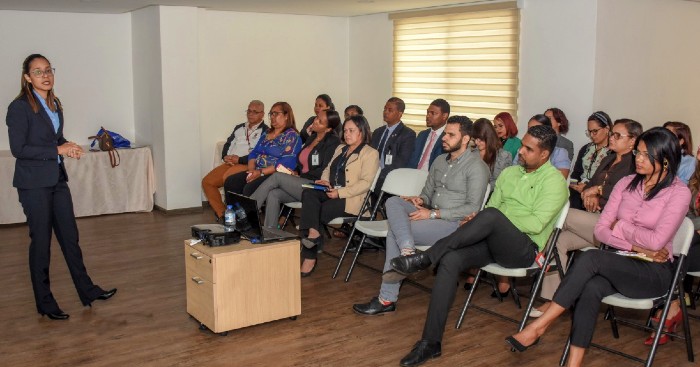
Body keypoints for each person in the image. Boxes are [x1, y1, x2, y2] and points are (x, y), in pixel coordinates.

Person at [508, 127, 690, 367]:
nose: (638, 158)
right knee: (591, 288)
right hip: (620, 261)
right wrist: (637, 247)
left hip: (653, 271)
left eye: (646, 155)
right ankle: (573, 363)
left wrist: (621, 226)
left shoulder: (678, 193)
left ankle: (539, 326)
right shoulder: (626, 183)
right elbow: (601, 230)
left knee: (592, 258)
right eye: (638, 153)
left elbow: (657, 242)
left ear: (665, 160)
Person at [390, 125, 568, 367]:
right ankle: (430, 343)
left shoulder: (555, 182)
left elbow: (536, 224)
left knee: (492, 215)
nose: (521, 152)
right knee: (452, 259)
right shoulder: (510, 174)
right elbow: (490, 209)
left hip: (523, 249)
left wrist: (493, 218)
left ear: (544, 155)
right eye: (522, 146)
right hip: (493, 239)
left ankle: (426, 258)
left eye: (528, 149)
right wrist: (479, 218)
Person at [5, 54, 116, 321]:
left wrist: (70, 147)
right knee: (41, 243)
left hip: (56, 179)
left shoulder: (55, 104)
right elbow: (19, 149)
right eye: (38, 71)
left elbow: (55, 139)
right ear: (27, 78)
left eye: (48, 70)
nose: (45, 75)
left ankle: (87, 290)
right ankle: (45, 302)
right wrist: (57, 148)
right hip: (33, 184)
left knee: (70, 237)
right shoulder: (19, 107)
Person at [352, 116, 490, 316]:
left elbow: (472, 209)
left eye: (451, 135)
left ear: (466, 139)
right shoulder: (440, 160)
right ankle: (408, 251)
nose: (445, 138)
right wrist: (417, 200)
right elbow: (427, 194)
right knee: (393, 201)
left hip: (453, 223)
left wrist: (433, 213)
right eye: (445, 134)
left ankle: (386, 298)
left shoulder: (476, 167)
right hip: (430, 213)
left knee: (394, 232)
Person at [537, 119, 642, 314]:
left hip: (613, 225)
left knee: (562, 216)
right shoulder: (608, 158)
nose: (612, 138)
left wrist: (598, 190)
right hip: (592, 220)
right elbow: (590, 185)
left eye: (618, 136)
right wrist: (588, 193)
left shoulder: (636, 165)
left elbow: (627, 191)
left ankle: (531, 244)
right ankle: (554, 300)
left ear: (632, 141)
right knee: (557, 240)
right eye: (612, 134)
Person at [298, 115, 379, 276]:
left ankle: (309, 255)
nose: (347, 134)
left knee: (317, 211)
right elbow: (328, 167)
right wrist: (324, 181)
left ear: (362, 132)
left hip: (352, 199)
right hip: (332, 190)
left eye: (351, 131)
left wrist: (339, 192)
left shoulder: (370, 153)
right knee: (308, 193)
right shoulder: (340, 149)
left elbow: (366, 183)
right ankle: (313, 234)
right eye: (345, 131)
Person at [249, 110, 341, 228]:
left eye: (320, 122)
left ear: (328, 129)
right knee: (274, 194)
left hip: (316, 185)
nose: (315, 121)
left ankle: (247, 213)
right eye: (317, 117)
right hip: (302, 183)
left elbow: (325, 169)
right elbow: (301, 162)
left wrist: (300, 176)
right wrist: (296, 171)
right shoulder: (311, 138)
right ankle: (270, 232)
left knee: (276, 176)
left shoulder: (333, 142)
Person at [201, 100, 267, 220]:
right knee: (207, 182)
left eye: (255, 112)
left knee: (228, 178)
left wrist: (240, 160)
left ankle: (236, 214)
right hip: (231, 162)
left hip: (247, 164)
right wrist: (225, 156)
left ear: (262, 114)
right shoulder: (239, 128)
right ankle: (223, 214)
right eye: (249, 111)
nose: (251, 114)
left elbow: (260, 154)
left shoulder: (266, 131)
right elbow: (228, 143)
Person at [223, 102, 302, 197]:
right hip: (257, 170)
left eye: (276, 114)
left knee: (249, 188)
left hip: (275, 174)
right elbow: (254, 153)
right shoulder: (267, 133)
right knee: (230, 182)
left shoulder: (292, 136)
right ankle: (235, 211)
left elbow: (284, 164)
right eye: (271, 114)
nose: (272, 117)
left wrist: (260, 172)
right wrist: (251, 171)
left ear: (286, 116)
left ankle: (249, 211)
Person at [371, 97, 416, 191]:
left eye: (390, 110)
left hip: (389, 178)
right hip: (372, 175)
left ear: (400, 114)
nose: (385, 112)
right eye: (385, 109)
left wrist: (379, 174)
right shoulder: (378, 132)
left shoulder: (407, 134)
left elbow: (401, 162)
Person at [569, 111, 612, 210]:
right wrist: (574, 184)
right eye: (589, 132)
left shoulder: (613, 152)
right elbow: (576, 173)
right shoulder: (586, 149)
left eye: (595, 131)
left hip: (597, 191)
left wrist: (587, 188)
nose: (592, 135)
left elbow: (610, 180)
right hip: (578, 189)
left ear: (607, 129)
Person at [408, 99, 449, 171]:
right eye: (428, 112)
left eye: (433, 113)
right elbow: (412, 159)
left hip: (432, 178)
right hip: (413, 175)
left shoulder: (448, 137)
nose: (428, 116)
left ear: (444, 116)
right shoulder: (422, 135)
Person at [472, 117, 512, 191]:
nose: (477, 143)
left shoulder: (503, 156)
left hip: (491, 194)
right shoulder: (472, 153)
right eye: (475, 139)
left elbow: (500, 182)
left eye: (480, 139)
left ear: (489, 136)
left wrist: (479, 188)